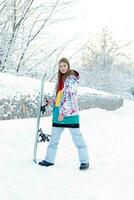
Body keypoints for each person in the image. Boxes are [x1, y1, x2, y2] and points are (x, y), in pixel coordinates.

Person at [38, 57, 89, 170]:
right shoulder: (60, 79)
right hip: (58, 113)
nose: (62, 68)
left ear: (68, 66)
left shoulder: (71, 79)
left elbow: (70, 98)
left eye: (64, 65)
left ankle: (85, 161)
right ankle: (49, 160)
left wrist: (63, 113)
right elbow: (59, 97)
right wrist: (48, 102)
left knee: (77, 138)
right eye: (60, 66)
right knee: (54, 139)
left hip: (70, 114)